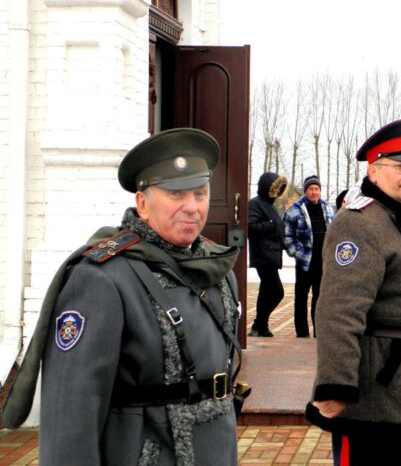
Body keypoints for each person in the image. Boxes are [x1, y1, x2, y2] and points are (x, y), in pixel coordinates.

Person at [2, 128, 241, 465]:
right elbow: (71, 411)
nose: (192, 207)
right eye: (176, 194)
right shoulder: (103, 280)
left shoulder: (218, 271)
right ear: (142, 203)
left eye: (200, 194)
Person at [306, 119, 401, 466]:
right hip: (376, 398)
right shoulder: (359, 222)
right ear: (373, 170)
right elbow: (339, 310)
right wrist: (335, 384)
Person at [283, 174, 336, 337]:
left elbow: (334, 232)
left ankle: (318, 333)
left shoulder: (328, 207)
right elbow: (287, 237)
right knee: (301, 298)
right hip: (305, 261)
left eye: (317, 189)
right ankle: (302, 333)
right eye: (311, 189)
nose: (314, 192)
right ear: (305, 191)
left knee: (320, 299)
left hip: (323, 261)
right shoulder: (294, 210)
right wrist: (296, 253)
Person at [248, 171, 288, 337]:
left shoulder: (269, 206)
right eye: (275, 188)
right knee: (277, 291)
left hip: (271, 253)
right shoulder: (255, 204)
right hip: (263, 254)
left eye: (279, 189)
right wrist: (271, 225)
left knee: (266, 291)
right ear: (267, 187)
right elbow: (251, 227)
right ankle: (259, 324)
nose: (277, 192)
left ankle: (261, 326)